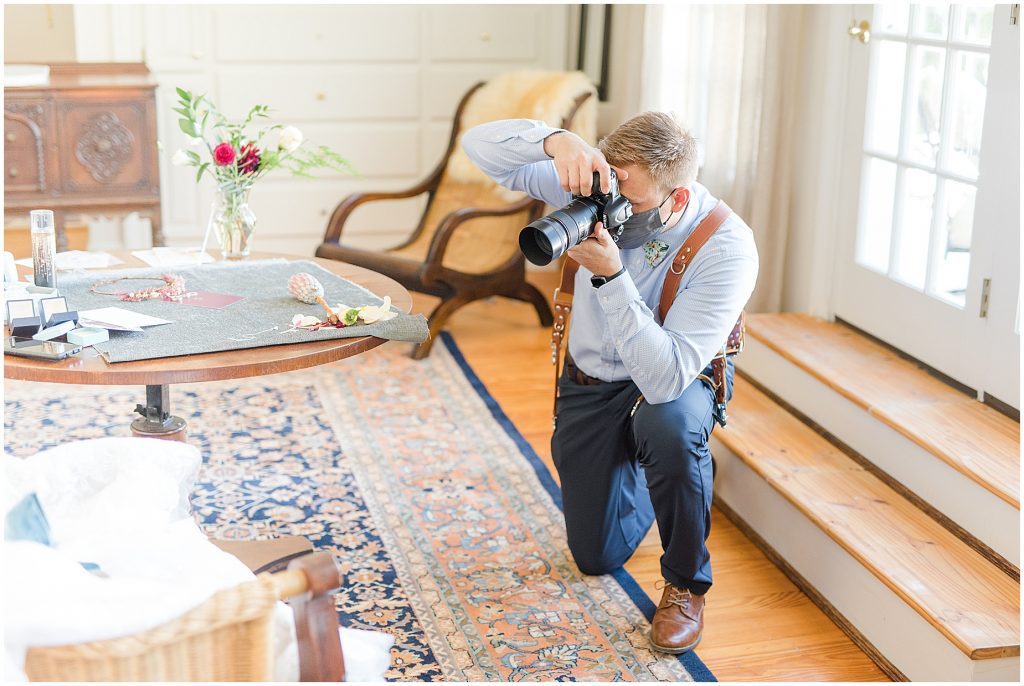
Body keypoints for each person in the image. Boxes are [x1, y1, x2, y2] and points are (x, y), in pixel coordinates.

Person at [461, 112, 758, 654]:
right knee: (595, 555)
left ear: (677, 195)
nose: (613, 209)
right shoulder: (597, 183)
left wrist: (610, 274)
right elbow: (476, 146)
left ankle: (687, 583)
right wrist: (560, 143)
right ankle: (662, 472)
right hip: (593, 377)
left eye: (634, 201)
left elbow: (668, 376)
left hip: (672, 381)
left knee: (667, 425)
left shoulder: (725, 246)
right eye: (609, 185)